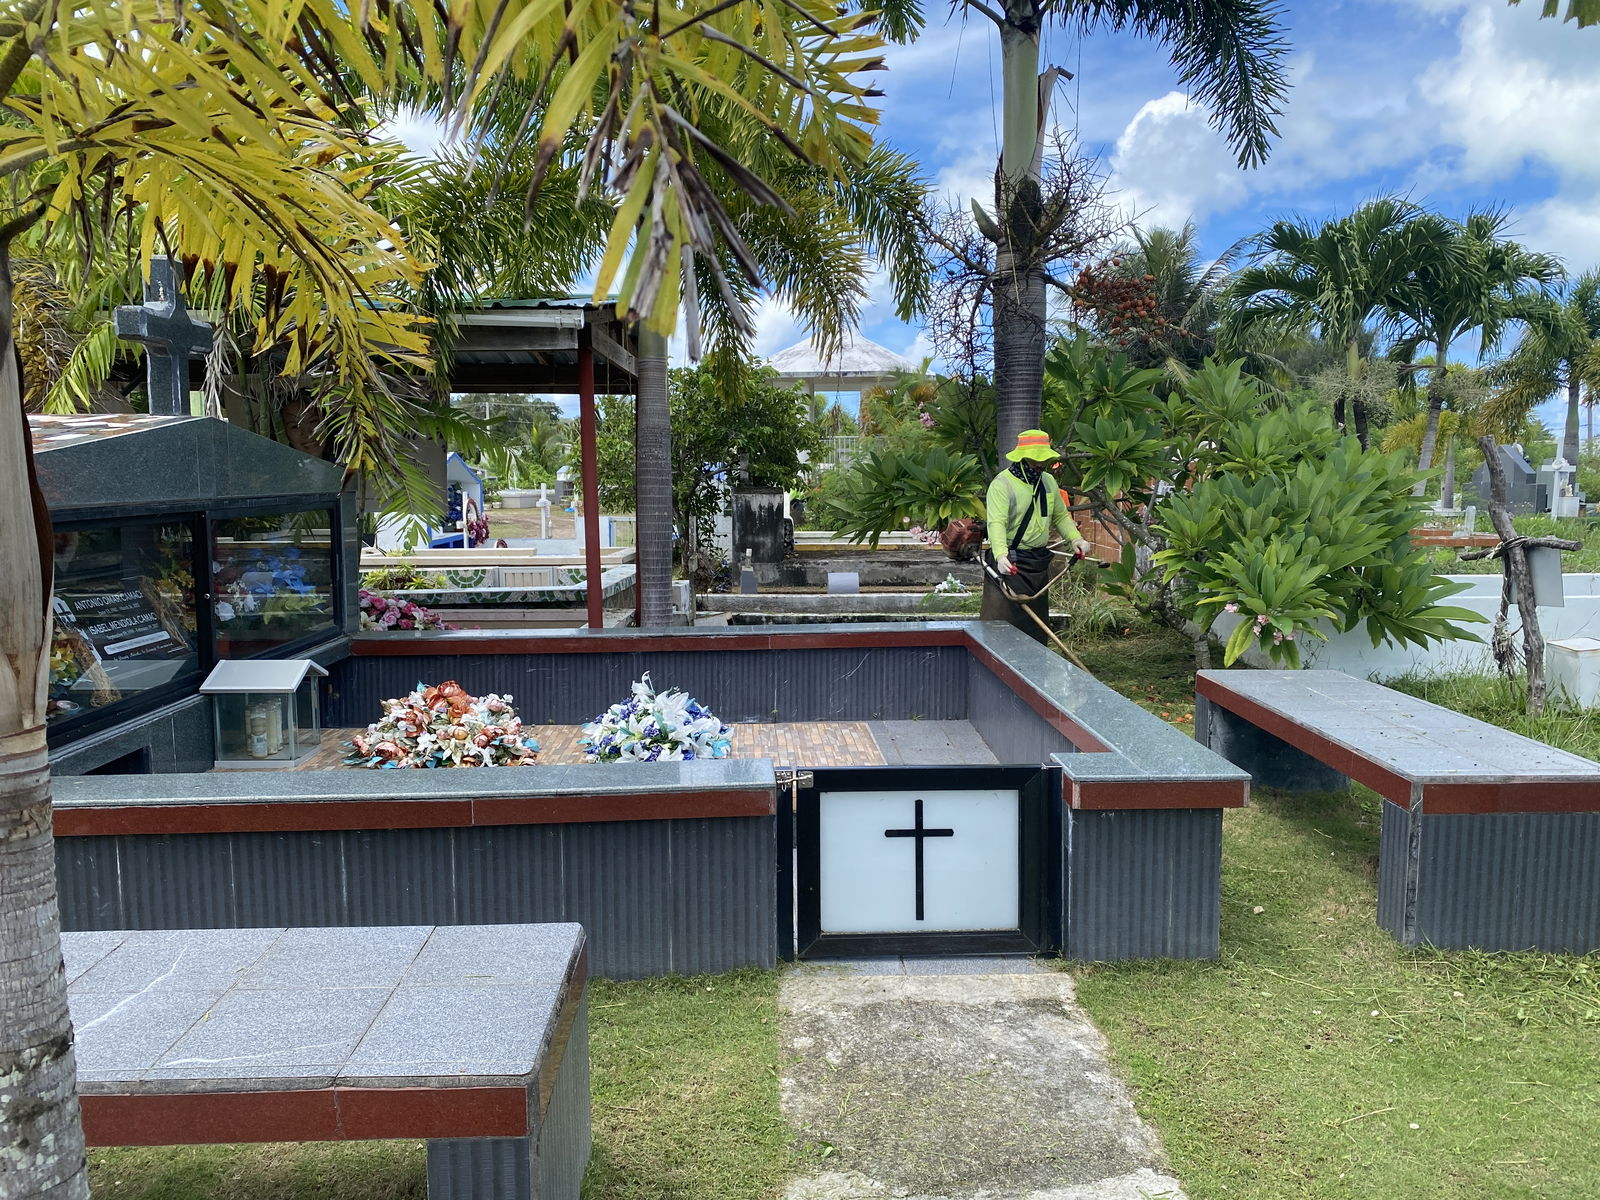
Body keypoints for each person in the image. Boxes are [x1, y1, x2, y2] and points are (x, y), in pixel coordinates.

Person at [980, 429, 1092, 643]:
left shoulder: (1048, 482)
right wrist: (1002, 555)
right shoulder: (1002, 485)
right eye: (1035, 460)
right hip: (1008, 565)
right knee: (999, 630)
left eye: (1043, 460)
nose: (1039, 465)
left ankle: (1034, 672)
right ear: (1022, 457)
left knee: (1035, 632)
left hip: (1037, 565)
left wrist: (1076, 539)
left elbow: (1060, 516)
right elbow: (997, 524)